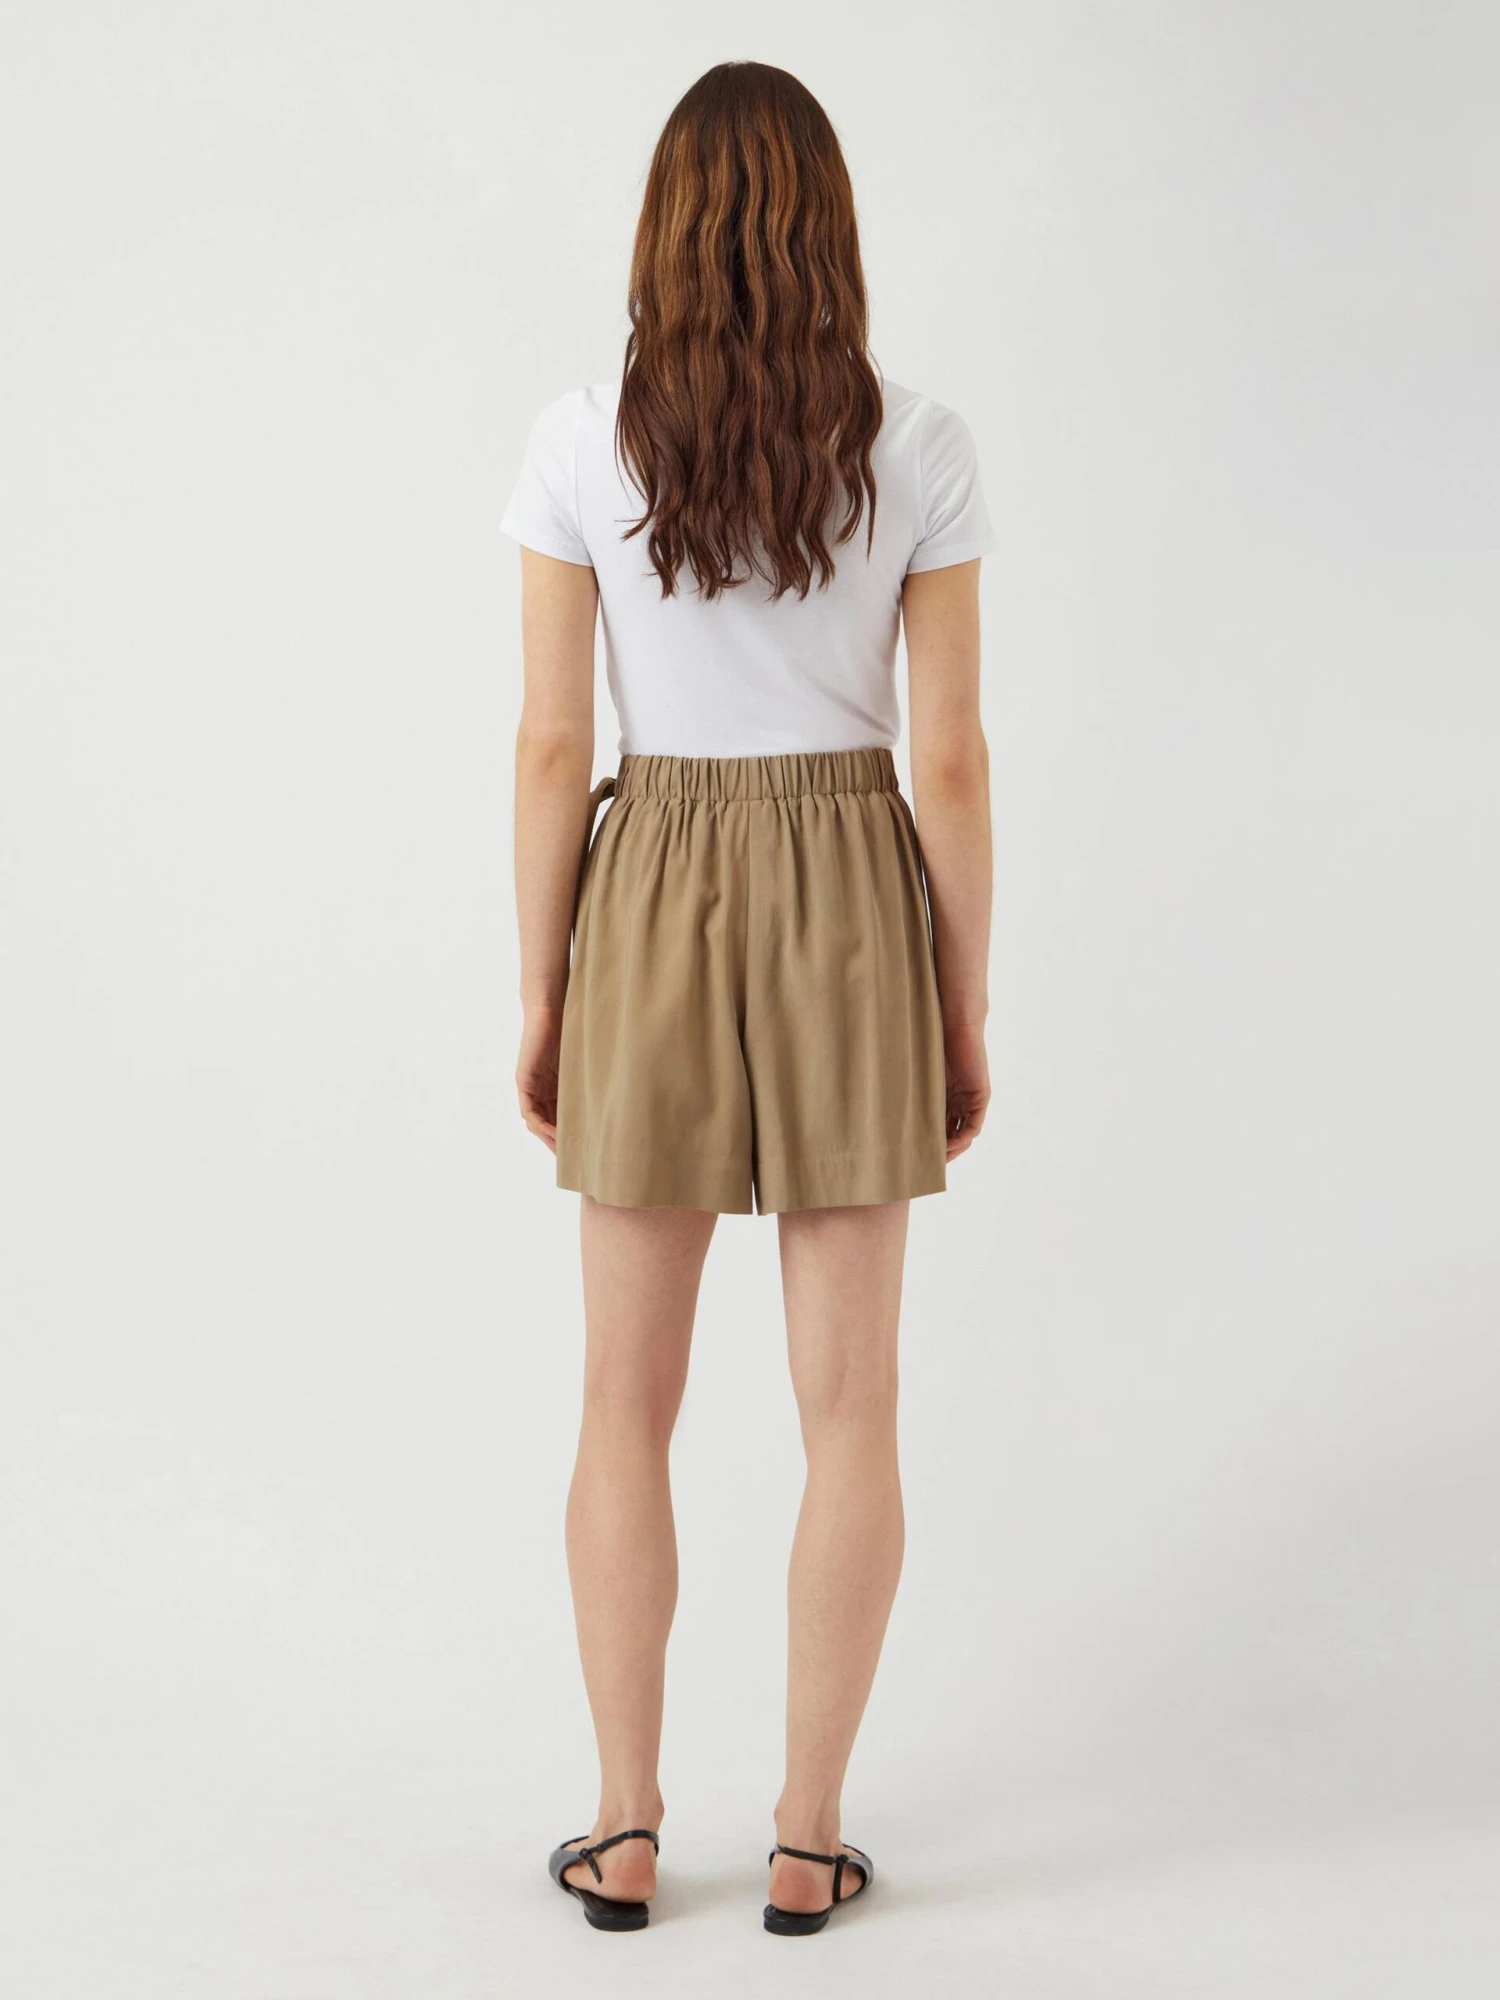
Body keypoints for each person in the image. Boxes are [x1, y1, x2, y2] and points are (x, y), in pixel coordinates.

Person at [500, 59, 994, 1937]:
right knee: (849, 1402)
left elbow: (555, 746)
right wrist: (961, 1005)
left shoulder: (578, 443)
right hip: (855, 891)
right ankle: (805, 1836)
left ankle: (625, 1828)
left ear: (665, 233)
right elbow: (949, 763)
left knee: (623, 1398)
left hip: (651, 895)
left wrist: (545, 987)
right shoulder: (920, 444)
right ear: (828, 231)